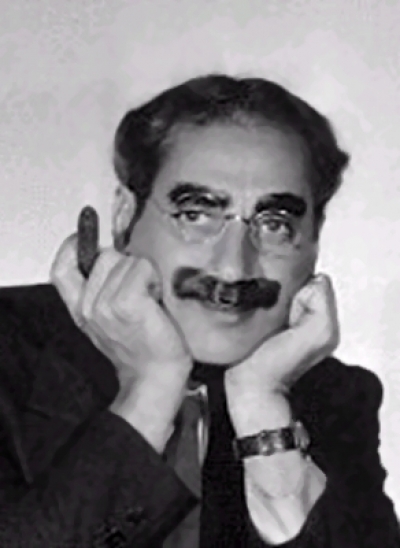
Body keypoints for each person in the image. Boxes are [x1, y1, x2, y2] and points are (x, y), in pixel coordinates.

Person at [0, 74, 398, 548]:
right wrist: (147, 392)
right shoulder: (9, 350)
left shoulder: (334, 398)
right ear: (125, 216)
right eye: (196, 215)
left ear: (315, 240)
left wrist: (264, 409)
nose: (233, 268)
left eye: (275, 225)